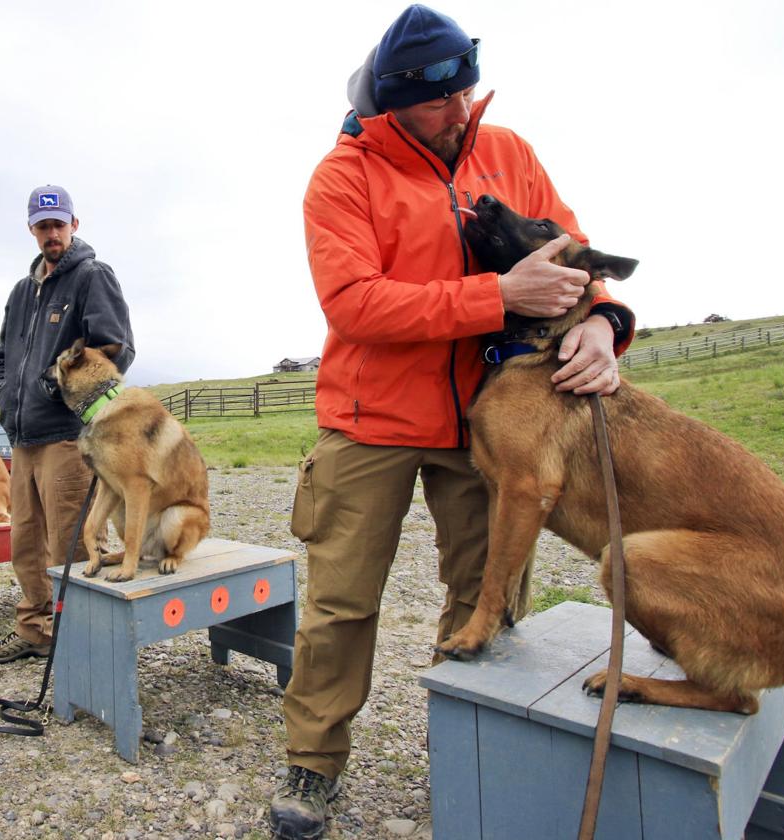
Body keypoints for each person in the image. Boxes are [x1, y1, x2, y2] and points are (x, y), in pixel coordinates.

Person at [268, 7, 635, 838]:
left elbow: (573, 252)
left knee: (488, 590)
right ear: (393, 102)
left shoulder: (509, 151)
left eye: (466, 91)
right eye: (439, 102)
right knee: (341, 600)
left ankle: (469, 749)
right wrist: (495, 298)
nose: (460, 112)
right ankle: (312, 763)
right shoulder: (342, 177)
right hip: (371, 421)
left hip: (488, 416)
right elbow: (355, 304)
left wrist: (602, 320)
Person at [0, 184, 134, 665]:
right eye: (42, 225)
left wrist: (55, 390)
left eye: (58, 224)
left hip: (69, 435)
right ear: (31, 228)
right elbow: (3, 354)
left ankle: (82, 639)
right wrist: (3, 391)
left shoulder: (92, 277)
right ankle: (33, 628)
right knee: (24, 537)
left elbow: (115, 349)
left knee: (70, 540)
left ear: (74, 224)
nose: (51, 233)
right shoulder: (21, 291)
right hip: (23, 435)